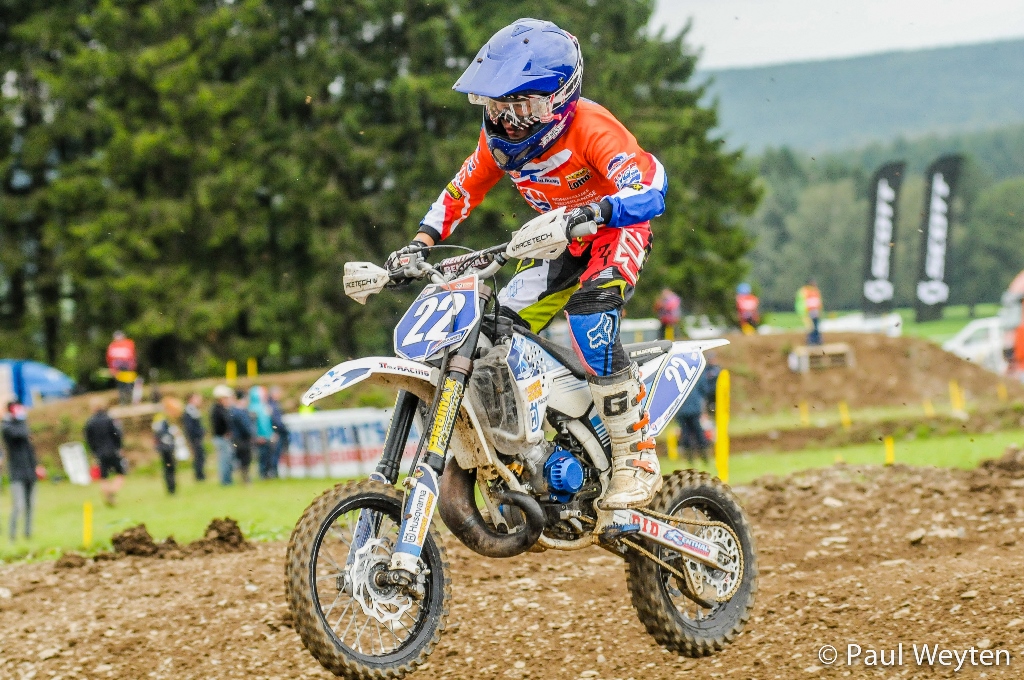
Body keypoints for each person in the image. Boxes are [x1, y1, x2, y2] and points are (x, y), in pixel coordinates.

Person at [387, 19, 668, 510]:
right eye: (498, 106)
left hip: (613, 232)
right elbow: (460, 192)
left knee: (591, 319)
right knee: (490, 331)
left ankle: (635, 456)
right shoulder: (496, 144)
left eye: (522, 107)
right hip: (557, 244)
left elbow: (651, 190)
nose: (509, 121)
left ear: (559, 99)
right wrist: (419, 243)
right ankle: (527, 448)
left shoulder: (591, 127)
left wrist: (598, 211)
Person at [1, 401, 38, 541]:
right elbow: (19, 433)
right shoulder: (7, 427)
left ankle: (28, 534)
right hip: (16, 473)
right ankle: (12, 535)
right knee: (18, 506)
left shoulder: (22, 424)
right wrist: (17, 420)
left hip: (29, 471)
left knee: (30, 505)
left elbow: (30, 449)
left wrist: (36, 466)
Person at [83, 397, 126, 506]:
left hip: (99, 453)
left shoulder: (90, 422)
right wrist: (119, 447)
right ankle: (112, 490)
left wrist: (93, 452)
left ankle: (107, 493)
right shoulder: (109, 419)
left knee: (103, 476)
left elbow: (89, 440)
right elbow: (117, 434)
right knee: (121, 473)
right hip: (112, 450)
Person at [151, 397, 182, 495]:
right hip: (165, 447)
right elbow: (162, 434)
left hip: (165, 446)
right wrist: (173, 434)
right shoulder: (161, 418)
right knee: (169, 467)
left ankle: (172, 488)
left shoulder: (162, 417)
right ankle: (171, 489)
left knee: (169, 467)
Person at [674, 379, 709, 465]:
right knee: (699, 433)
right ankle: (704, 457)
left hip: (682, 410)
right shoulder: (697, 374)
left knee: (686, 434)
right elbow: (705, 389)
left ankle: (690, 459)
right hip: (694, 409)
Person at [249, 386, 275, 479]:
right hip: (260, 438)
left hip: (267, 437)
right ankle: (262, 474)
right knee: (262, 457)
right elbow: (254, 425)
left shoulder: (264, 407)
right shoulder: (253, 408)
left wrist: (271, 433)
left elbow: (268, 423)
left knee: (268, 456)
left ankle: (268, 473)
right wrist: (258, 436)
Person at [210, 385, 235, 486]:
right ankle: (225, 481)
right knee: (224, 460)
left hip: (224, 438)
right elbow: (219, 425)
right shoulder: (217, 410)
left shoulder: (222, 409)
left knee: (228, 459)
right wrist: (225, 433)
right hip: (221, 438)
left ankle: (228, 479)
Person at [106, 330, 137, 405]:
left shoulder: (129, 343)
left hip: (127, 366)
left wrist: (133, 364)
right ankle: (123, 401)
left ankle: (130, 399)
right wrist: (111, 368)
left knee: (129, 383)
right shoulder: (112, 346)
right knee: (120, 384)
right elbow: (109, 358)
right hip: (117, 368)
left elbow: (132, 355)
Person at [230, 389, 254, 484]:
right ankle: (245, 480)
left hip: (240, 439)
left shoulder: (237, 411)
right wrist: (251, 434)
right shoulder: (238, 412)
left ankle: (245, 479)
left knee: (244, 460)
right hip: (241, 439)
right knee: (244, 460)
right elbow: (245, 426)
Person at [181, 392, 206, 481]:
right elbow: (190, 427)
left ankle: (201, 475)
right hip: (195, 438)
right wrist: (198, 434)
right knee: (198, 457)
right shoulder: (189, 411)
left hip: (197, 438)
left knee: (201, 456)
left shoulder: (193, 410)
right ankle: (199, 476)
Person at [268, 385, 289, 477]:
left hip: (277, 431)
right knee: (275, 454)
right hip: (277, 432)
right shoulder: (272, 405)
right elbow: (275, 420)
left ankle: (274, 472)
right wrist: (280, 429)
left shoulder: (274, 404)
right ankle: (273, 472)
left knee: (276, 453)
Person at [796, 279, 823, 346]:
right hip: (807, 313)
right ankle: (811, 342)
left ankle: (817, 342)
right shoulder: (804, 291)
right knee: (810, 328)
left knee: (816, 327)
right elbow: (801, 303)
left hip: (815, 312)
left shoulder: (815, 291)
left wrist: (819, 311)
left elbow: (818, 302)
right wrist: (803, 313)